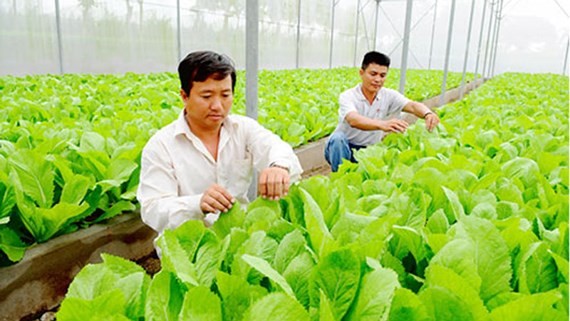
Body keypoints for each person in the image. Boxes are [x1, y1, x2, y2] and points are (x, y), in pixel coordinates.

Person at [137, 51, 302, 235]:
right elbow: (152, 209)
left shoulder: (243, 129)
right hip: (188, 247)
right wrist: (197, 204)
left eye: (225, 95)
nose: (217, 106)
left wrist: (278, 167)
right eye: (206, 96)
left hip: (239, 238)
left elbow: (276, 147)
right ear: (184, 96)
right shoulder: (161, 145)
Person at [324, 51, 440, 172]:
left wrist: (428, 113)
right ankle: (339, 177)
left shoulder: (388, 95)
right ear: (361, 73)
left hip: (368, 150)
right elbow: (353, 120)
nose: (377, 79)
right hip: (344, 148)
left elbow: (412, 106)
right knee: (338, 139)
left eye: (382, 75)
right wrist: (383, 124)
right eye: (373, 74)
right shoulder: (348, 96)